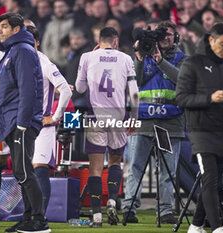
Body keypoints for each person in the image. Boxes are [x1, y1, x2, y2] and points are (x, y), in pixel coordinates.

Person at [176, 22, 223, 233]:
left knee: (214, 182)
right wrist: (209, 98)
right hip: (202, 131)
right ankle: (218, 227)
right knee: (210, 177)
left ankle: (196, 225)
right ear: (211, 40)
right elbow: (181, 98)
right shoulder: (192, 63)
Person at [122, 20, 186, 224]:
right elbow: (136, 81)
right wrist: (140, 57)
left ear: (175, 37)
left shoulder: (182, 59)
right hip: (143, 120)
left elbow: (182, 80)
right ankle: (129, 208)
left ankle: (165, 211)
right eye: (161, 35)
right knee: (135, 167)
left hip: (170, 122)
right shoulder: (143, 56)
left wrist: (160, 61)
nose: (165, 38)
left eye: (169, 34)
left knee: (168, 170)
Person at [75, 27, 139, 227]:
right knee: (115, 162)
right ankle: (112, 199)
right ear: (116, 41)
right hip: (119, 117)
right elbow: (134, 93)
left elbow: (80, 88)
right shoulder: (126, 59)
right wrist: (134, 117)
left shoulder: (87, 57)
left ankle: (96, 216)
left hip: (96, 117)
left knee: (95, 169)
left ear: (99, 39)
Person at [0, 12, 50, 233]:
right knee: (21, 172)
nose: (0, 30)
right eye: (0, 27)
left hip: (21, 122)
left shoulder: (23, 52)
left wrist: (23, 122)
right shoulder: (12, 51)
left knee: (25, 172)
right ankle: (28, 219)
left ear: (16, 29)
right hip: (11, 121)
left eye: (5, 27)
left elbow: (28, 89)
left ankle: (39, 220)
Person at [26, 22, 72, 212]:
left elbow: (66, 91)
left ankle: (40, 216)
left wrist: (54, 117)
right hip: (20, 125)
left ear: (37, 42)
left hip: (42, 126)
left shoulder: (44, 63)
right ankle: (29, 215)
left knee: (39, 169)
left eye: (28, 41)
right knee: (25, 172)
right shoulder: (13, 61)